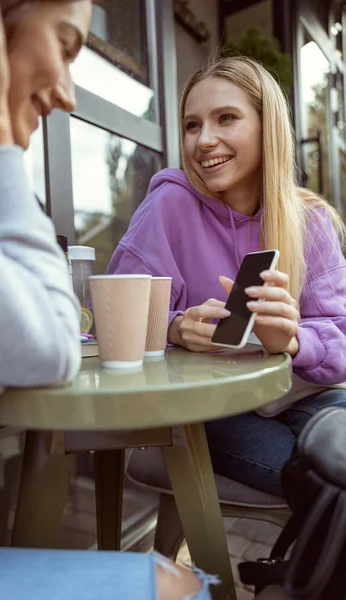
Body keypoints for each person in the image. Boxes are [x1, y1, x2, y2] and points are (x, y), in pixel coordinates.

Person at [0, 1, 214, 598]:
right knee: (176, 587)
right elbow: (49, 341)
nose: (68, 93)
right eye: (66, 47)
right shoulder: (165, 205)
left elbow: (36, 334)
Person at [108, 56, 346, 497]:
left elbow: (340, 338)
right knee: (321, 483)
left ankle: (286, 568)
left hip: (307, 395)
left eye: (227, 118)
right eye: (192, 125)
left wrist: (292, 340)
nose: (204, 140)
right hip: (215, 408)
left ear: (266, 126)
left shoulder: (310, 221)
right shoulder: (169, 206)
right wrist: (176, 327)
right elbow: (114, 316)